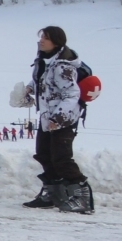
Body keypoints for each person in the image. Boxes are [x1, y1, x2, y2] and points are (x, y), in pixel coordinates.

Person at [19, 26, 95, 213]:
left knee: (61, 158)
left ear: (56, 42)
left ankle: (83, 197)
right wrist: (30, 89)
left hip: (64, 119)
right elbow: (43, 81)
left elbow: (71, 94)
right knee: (43, 154)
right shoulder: (44, 60)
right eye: (41, 37)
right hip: (47, 117)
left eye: (45, 38)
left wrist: (58, 117)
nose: (41, 40)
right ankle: (53, 193)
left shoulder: (63, 66)